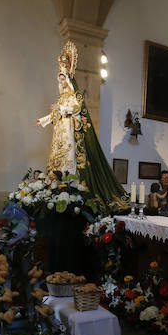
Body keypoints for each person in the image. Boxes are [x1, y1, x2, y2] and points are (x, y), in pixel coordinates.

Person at [36, 40, 128, 214]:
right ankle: (57, 183)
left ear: (69, 79)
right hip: (60, 132)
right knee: (58, 157)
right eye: (60, 79)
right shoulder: (62, 97)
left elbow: (77, 109)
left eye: (64, 79)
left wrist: (62, 109)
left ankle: (70, 184)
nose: (62, 82)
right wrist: (44, 120)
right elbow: (55, 115)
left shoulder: (73, 95)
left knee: (70, 156)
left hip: (70, 130)